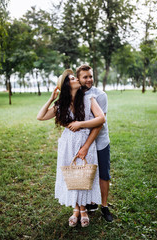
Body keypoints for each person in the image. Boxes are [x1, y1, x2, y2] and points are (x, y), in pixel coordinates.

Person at [37, 69, 106, 227]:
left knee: (84, 175)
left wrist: (80, 125)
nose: (76, 79)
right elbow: (40, 116)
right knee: (72, 175)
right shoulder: (61, 105)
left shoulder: (89, 99)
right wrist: (51, 98)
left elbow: (101, 118)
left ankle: (83, 209)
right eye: (73, 78)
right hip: (67, 143)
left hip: (85, 142)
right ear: (67, 85)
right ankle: (76, 208)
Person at [68, 64, 113, 222]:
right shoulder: (76, 94)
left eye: (90, 76)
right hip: (81, 142)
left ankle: (105, 206)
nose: (89, 79)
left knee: (103, 174)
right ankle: (88, 202)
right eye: (85, 77)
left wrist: (86, 145)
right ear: (78, 79)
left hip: (100, 141)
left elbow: (99, 123)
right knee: (86, 173)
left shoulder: (100, 95)